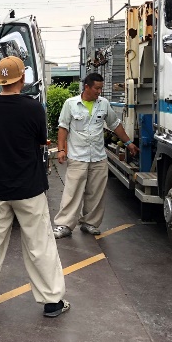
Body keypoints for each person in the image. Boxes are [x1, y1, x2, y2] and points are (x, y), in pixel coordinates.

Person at [0, 56, 69, 318]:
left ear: (0, 79)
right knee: (39, 243)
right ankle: (52, 301)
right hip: (29, 187)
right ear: (22, 78)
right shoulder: (33, 108)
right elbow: (40, 140)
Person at [52, 72, 140, 239]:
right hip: (78, 156)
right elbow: (63, 128)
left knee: (96, 192)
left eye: (101, 88)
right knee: (72, 192)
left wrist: (128, 143)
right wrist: (61, 150)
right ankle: (64, 225)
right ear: (87, 87)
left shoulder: (104, 104)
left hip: (98, 156)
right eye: (97, 88)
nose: (99, 91)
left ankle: (89, 223)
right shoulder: (71, 104)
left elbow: (115, 125)